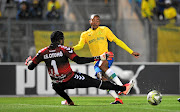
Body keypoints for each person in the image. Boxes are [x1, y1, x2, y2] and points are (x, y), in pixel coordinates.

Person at [25, 31, 134, 106]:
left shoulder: (42, 52)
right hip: (71, 79)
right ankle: (123, 89)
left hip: (58, 84)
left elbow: (30, 67)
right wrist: (98, 57)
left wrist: (29, 61)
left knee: (54, 85)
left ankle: (68, 101)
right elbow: (79, 60)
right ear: (61, 40)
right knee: (97, 83)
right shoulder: (63, 49)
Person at [73, 14, 140, 104]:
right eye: (94, 20)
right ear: (90, 21)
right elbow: (80, 46)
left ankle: (122, 87)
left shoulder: (104, 30)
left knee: (102, 65)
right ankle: (117, 99)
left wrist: (131, 51)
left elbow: (117, 40)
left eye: (98, 20)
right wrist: (72, 48)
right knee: (101, 79)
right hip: (96, 61)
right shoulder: (85, 34)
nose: (96, 22)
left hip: (107, 56)